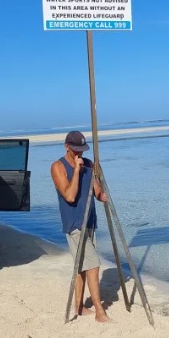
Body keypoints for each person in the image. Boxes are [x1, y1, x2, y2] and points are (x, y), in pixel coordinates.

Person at [50, 131, 111, 323]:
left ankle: (79, 307)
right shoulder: (58, 167)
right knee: (93, 265)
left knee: (82, 266)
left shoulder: (89, 164)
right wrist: (76, 170)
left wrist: (100, 194)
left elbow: (96, 190)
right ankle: (100, 312)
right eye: (76, 150)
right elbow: (69, 195)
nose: (79, 154)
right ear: (66, 146)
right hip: (74, 224)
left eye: (82, 150)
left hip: (90, 221)